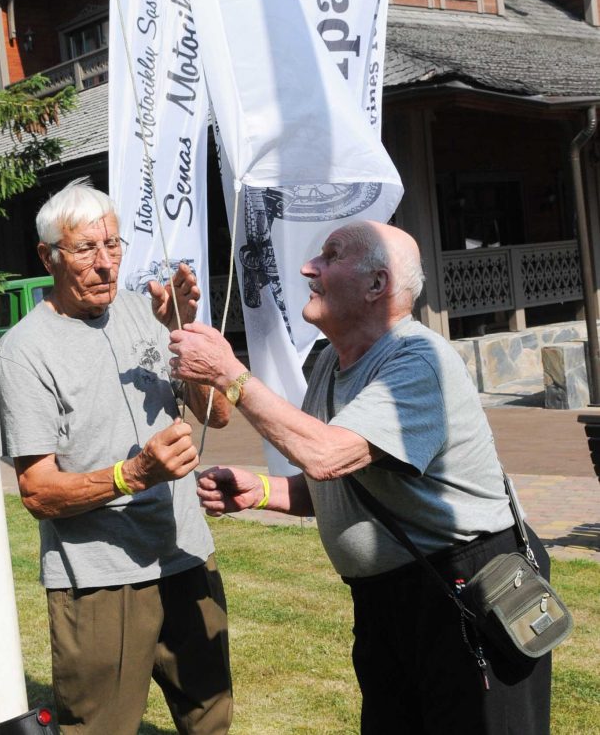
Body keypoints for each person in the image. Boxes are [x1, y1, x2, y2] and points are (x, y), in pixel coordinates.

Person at [169, 220, 551, 735]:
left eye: (330, 255)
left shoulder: (420, 361)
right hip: (386, 599)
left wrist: (229, 375)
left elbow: (326, 455)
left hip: (466, 586)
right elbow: (339, 483)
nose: (309, 267)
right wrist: (260, 491)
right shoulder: (330, 363)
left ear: (377, 285)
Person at [0, 179, 233, 735]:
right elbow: (37, 492)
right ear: (47, 256)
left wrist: (183, 331)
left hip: (185, 554)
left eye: (115, 245)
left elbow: (215, 415)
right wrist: (135, 474)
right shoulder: (25, 353)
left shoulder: (146, 311)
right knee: (100, 729)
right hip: (101, 577)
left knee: (211, 720)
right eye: (86, 250)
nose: (106, 264)